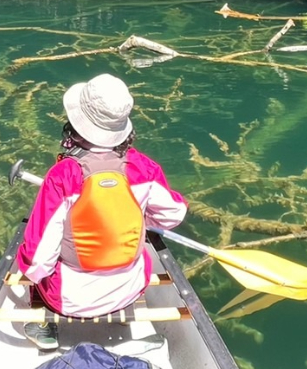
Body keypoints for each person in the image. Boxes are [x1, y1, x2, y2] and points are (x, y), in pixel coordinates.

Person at [14, 73, 187, 350]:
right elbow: (174, 214)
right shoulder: (144, 167)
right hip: (131, 289)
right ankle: (120, 313)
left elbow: (37, 262)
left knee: (35, 264)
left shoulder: (63, 176)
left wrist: (28, 271)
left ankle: (47, 329)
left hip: (69, 300)